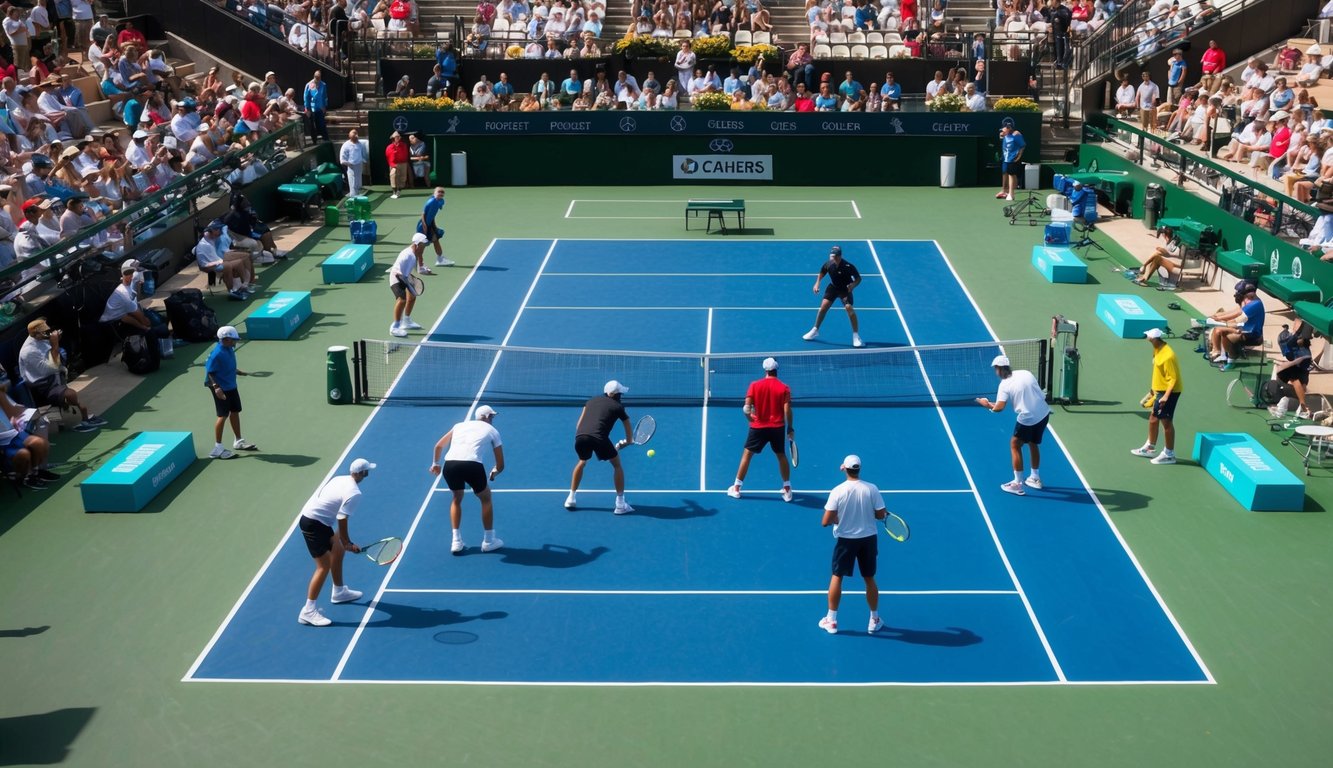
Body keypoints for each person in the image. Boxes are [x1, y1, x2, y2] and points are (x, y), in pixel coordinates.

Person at [296, 458, 374, 626]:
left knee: (337, 548)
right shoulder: (354, 493)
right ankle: (308, 611)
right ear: (361, 474)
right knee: (323, 566)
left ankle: (338, 592)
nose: (367, 475)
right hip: (313, 524)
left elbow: (335, 512)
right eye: (367, 472)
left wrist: (343, 543)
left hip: (318, 520)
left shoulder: (340, 478)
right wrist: (347, 541)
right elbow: (341, 517)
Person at [818, 454, 888, 635]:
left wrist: (838, 519)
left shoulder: (837, 491)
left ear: (845, 469)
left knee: (837, 576)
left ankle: (831, 620)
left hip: (846, 541)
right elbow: (881, 515)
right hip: (868, 540)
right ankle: (874, 619)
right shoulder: (872, 489)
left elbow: (825, 521)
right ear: (859, 469)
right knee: (869, 578)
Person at [430, 404, 505, 554]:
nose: (493, 419)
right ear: (486, 417)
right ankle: (489, 541)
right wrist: (494, 473)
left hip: (450, 465)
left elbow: (438, 446)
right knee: (486, 498)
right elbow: (500, 464)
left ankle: (456, 542)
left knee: (457, 498)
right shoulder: (493, 431)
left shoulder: (458, 425)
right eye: (492, 416)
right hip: (472, 466)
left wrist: (436, 464)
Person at [977, 354, 1051, 495]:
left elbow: (999, 408)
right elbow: (1034, 392)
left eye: (995, 369)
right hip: (1043, 413)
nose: (995, 372)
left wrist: (986, 404)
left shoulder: (1004, 385)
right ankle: (1035, 478)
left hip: (1028, 419)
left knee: (1015, 444)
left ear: (999, 369)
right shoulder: (1026, 373)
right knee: (1032, 443)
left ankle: (1017, 483)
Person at [18, 318, 105, 432]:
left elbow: (57, 359)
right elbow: (50, 369)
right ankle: (81, 418)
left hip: (54, 378)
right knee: (71, 395)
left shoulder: (42, 339)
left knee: (65, 402)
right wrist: (55, 345)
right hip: (41, 386)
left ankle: (77, 418)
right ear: (36, 334)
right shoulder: (28, 351)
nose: (48, 334)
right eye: (44, 332)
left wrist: (56, 341)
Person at [726, 357, 794, 501]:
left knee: (747, 455)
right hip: (778, 427)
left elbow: (746, 408)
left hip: (758, 427)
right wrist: (790, 427)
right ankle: (787, 489)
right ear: (776, 369)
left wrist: (750, 418)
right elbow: (787, 410)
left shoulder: (754, 385)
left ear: (765, 370)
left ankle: (736, 488)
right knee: (781, 455)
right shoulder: (784, 387)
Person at [566, 379, 634, 514]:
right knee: (617, 465)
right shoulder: (618, 407)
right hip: (600, 439)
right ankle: (620, 504)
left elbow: (578, 426)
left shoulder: (590, 402)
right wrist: (627, 442)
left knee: (582, 461)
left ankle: (571, 498)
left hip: (580, 437)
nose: (621, 396)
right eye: (620, 394)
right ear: (616, 395)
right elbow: (628, 428)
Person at [202, 325, 257, 459]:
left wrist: (237, 371)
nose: (235, 342)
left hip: (231, 385)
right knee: (223, 415)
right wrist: (216, 388)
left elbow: (227, 364)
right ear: (225, 340)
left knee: (235, 411)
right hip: (221, 387)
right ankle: (218, 448)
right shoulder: (217, 354)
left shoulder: (229, 349)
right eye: (233, 339)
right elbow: (210, 372)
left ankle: (238, 441)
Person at [1131, 328, 1182, 465]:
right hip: (1159, 390)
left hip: (1169, 392)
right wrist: (1154, 390)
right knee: (1153, 418)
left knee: (1166, 421)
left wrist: (1165, 396)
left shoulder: (1168, 356)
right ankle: (1150, 447)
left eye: (1147, 336)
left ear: (1154, 339)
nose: (1146, 338)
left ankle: (1169, 454)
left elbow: (1173, 379)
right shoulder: (1157, 349)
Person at [802, 245, 863, 348]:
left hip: (845, 289)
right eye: (831, 256)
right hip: (833, 287)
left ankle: (856, 336)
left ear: (839, 256)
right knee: (823, 307)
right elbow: (821, 273)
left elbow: (858, 279)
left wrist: (853, 285)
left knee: (849, 309)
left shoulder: (848, 266)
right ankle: (815, 330)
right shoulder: (829, 264)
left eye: (834, 256)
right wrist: (817, 283)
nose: (832, 258)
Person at [1204, 288, 1264, 371]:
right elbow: (1236, 312)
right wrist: (1217, 317)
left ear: (1250, 296)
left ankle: (1231, 362)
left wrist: (1220, 320)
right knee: (1218, 330)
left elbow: (1237, 318)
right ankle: (1220, 354)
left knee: (1229, 336)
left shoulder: (1254, 305)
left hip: (1252, 334)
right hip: (1243, 328)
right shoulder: (1251, 302)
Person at [389, 232, 427, 337]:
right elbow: (403, 277)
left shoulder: (413, 252)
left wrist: (421, 269)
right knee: (402, 300)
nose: (424, 248)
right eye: (423, 245)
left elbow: (408, 272)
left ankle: (406, 321)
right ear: (417, 245)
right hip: (396, 277)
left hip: (403, 275)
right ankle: (395, 327)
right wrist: (410, 287)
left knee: (412, 297)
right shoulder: (409, 256)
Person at [417, 186, 455, 271]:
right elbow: (423, 214)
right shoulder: (432, 201)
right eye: (439, 192)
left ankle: (440, 259)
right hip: (423, 225)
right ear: (434, 193)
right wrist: (425, 227)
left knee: (435, 239)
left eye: (442, 192)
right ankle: (417, 264)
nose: (441, 193)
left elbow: (432, 215)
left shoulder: (440, 201)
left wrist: (434, 226)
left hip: (430, 224)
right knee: (419, 245)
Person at [997, 124, 1025, 201]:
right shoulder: (1005, 136)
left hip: (1012, 159)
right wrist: (1001, 134)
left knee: (1011, 175)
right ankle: (1006, 192)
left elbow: (1022, 146)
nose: (1002, 131)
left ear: (1009, 129)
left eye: (1003, 130)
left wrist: (1019, 156)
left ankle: (1011, 194)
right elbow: (1001, 137)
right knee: (1008, 174)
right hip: (1006, 159)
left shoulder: (1016, 135)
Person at [339, 128, 367, 198]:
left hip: (359, 165)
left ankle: (358, 194)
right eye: (355, 138)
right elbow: (342, 160)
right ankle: (353, 197)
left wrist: (362, 160)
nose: (356, 139)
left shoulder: (359, 144)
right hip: (351, 166)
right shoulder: (346, 145)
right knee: (353, 182)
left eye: (357, 137)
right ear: (351, 138)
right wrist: (349, 164)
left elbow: (361, 153)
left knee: (358, 181)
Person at [302, 69, 329, 141]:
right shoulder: (308, 85)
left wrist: (325, 106)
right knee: (312, 126)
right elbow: (306, 97)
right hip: (311, 108)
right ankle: (314, 140)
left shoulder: (323, 85)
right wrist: (307, 109)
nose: (317, 79)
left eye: (318, 77)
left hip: (320, 108)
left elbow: (325, 96)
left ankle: (325, 139)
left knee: (322, 124)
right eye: (316, 77)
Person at [385, 130, 409, 199]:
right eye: (396, 137)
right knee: (393, 176)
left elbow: (405, 154)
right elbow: (388, 156)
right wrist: (393, 165)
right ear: (393, 138)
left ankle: (398, 191)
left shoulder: (403, 145)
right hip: (394, 164)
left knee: (403, 177)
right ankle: (394, 192)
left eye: (398, 137)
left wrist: (405, 162)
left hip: (403, 163)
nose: (397, 138)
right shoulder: (389, 147)